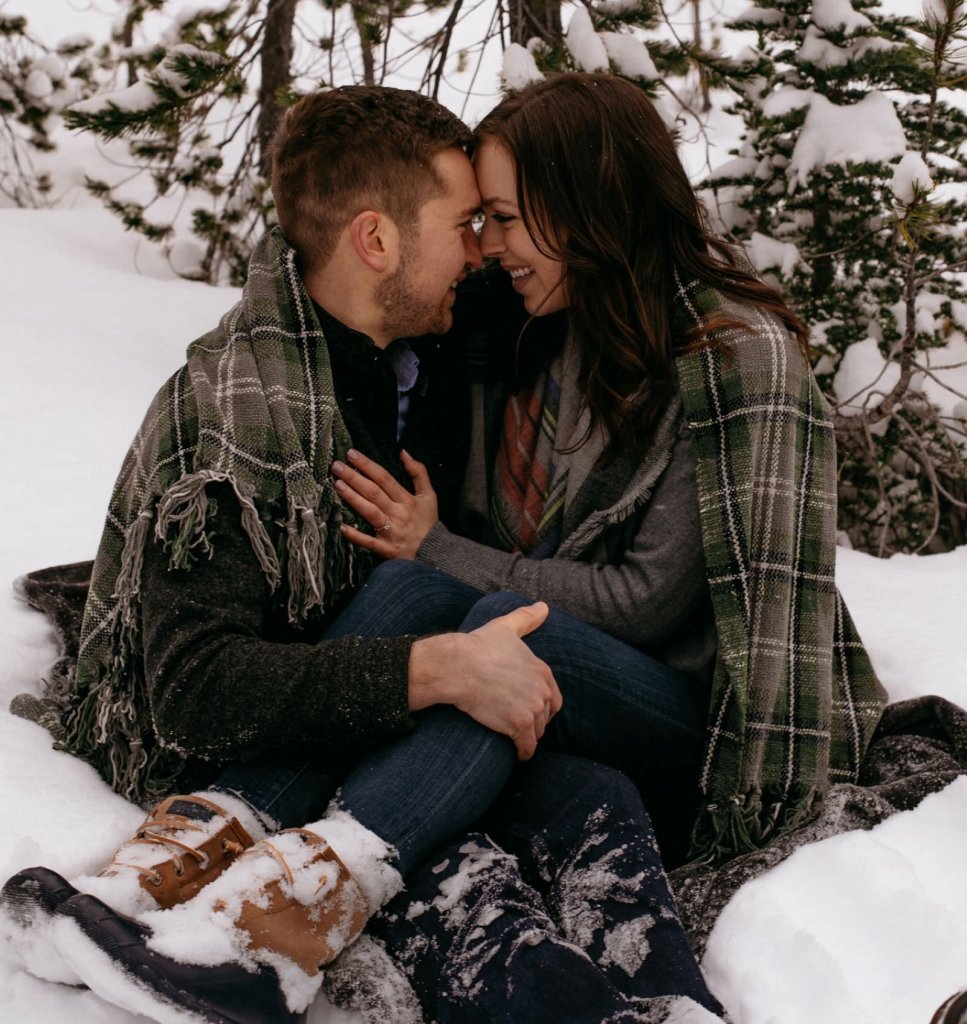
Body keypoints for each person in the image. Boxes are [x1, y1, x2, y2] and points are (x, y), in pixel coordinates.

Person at [1, 82, 725, 1024]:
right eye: (468, 224)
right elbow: (193, 695)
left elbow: (597, 253)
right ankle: (237, 926)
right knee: (496, 693)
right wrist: (430, 672)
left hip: (384, 703)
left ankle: (164, 897)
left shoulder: (422, 338)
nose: (484, 252)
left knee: (509, 684)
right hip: (258, 732)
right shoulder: (242, 421)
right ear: (377, 242)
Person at [328, 72, 887, 866]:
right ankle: (231, 816)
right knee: (413, 593)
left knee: (507, 633)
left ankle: (326, 874)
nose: (489, 246)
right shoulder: (536, 325)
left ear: (587, 207)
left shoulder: (732, 360)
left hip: (687, 717)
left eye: (507, 219)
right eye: (483, 220)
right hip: (558, 679)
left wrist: (441, 549)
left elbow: (643, 604)